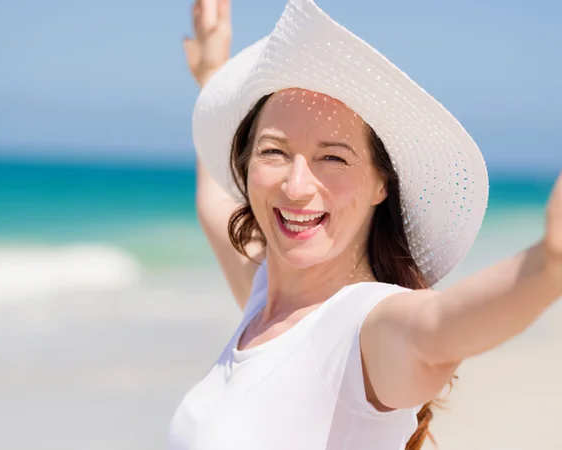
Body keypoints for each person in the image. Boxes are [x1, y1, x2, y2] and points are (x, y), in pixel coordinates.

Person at [168, 0, 562, 449]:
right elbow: (212, 203)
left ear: (381, 184)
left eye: (332, 157)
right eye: (273, 151)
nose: (296, 186)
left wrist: (548, 263)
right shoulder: (264, 301)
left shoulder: (361, 326)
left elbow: (439, 328)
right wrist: (211, 74)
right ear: (246, 163)